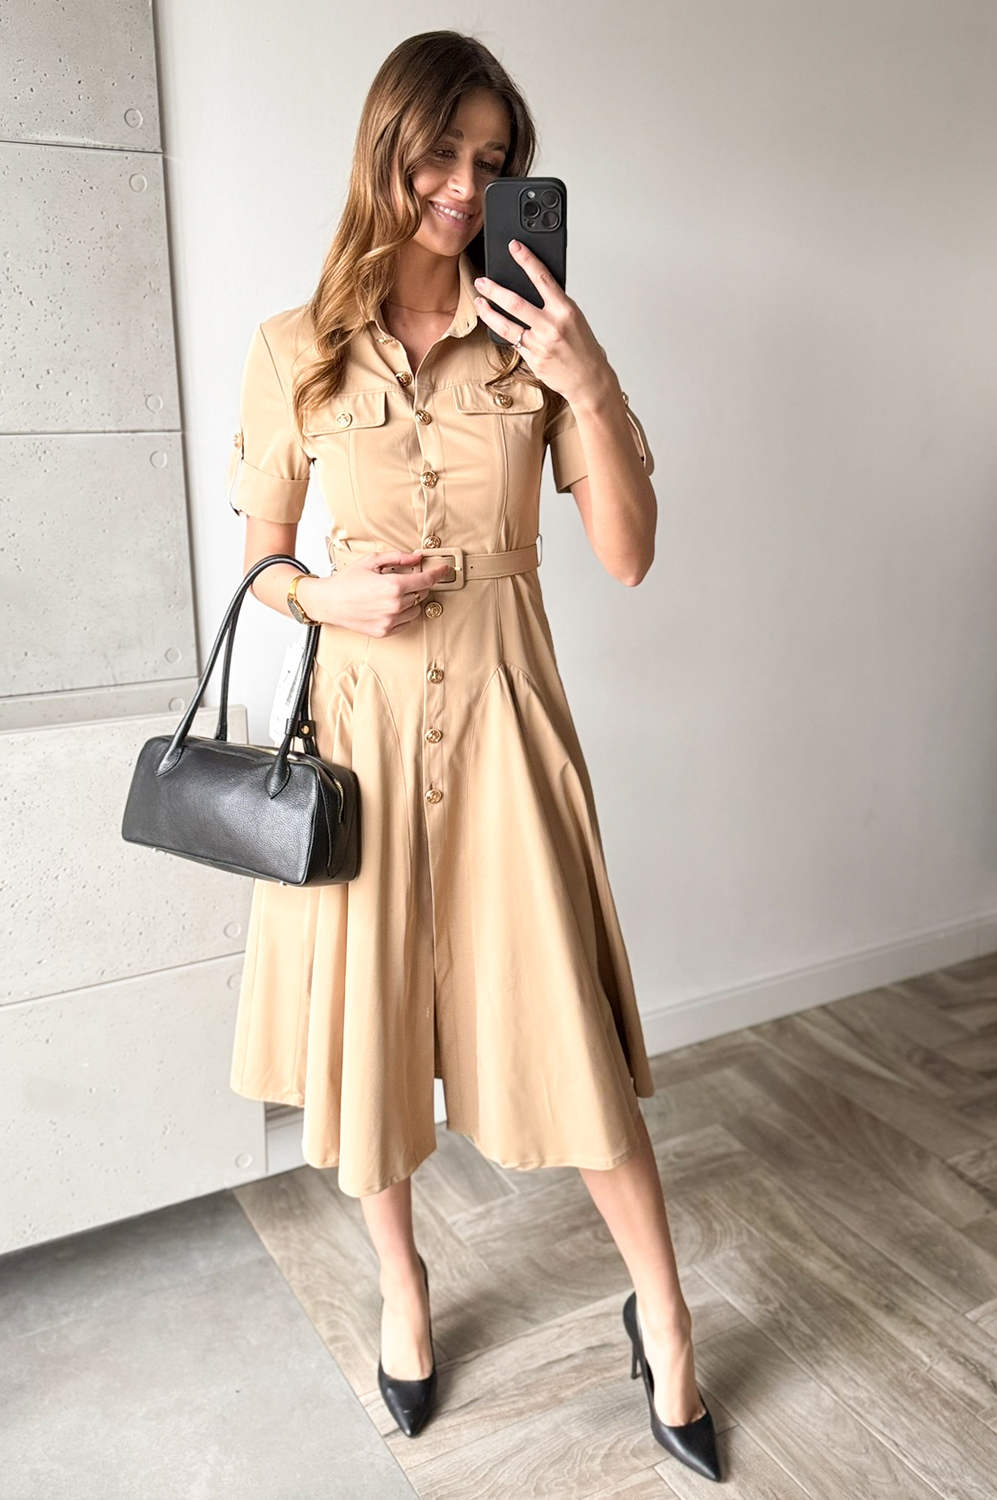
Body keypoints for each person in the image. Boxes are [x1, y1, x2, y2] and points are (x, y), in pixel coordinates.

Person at [225, 29, 720, 1483]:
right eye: (441, 152)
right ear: (386, 149)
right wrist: (331, 596)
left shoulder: (537, 336)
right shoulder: (293, 349)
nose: (462, 184)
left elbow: (626, 556)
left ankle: (666, 1319)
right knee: (371, 1038)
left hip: (505, 720)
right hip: (360, 735)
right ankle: (403, 1290)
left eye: (492, 161)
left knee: (567, 1036)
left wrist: (590, 375)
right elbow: (260, 564)